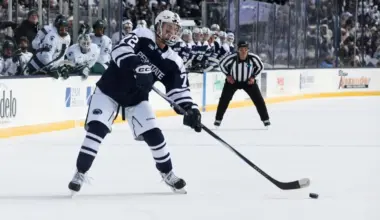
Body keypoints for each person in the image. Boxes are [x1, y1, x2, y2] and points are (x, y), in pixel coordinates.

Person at [68, 10, 202, 194]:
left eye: (174, 29)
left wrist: (190, 109)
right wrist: (139, 66)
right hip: (109, 90)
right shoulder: (142, 35)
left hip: (137, 99)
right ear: (157, 26)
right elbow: (119, 50)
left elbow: (179, 90)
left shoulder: (173, 61)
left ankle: (167, 173)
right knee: (97, 130)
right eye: (167, 28)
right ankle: (80, 172)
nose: (171, 33)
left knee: (155, 135)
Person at [214, 41, 270, 128]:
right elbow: (221, 64)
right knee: (224, 100)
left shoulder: (253, 58)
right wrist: (228, 76)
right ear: (238, 50)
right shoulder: (231, 58)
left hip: (248, 82)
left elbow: (260, 67)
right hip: (233, 83)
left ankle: (266, 120)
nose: (243, 51)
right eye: (241, 49)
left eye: (245, 49)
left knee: (259, 100)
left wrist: (253, 77)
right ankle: (218, 120)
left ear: (248, 50)